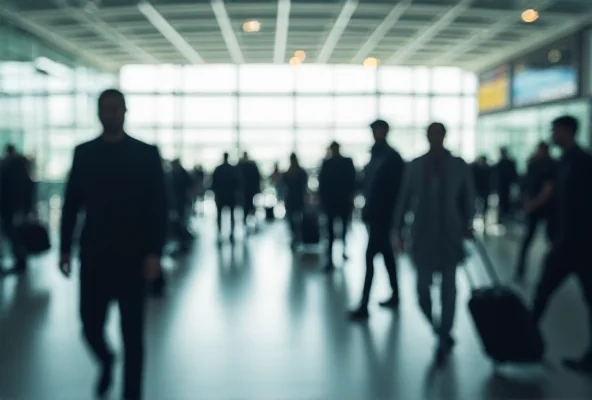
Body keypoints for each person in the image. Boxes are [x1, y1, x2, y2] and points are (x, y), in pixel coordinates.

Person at [59, 89, 167, 400]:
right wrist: (65, 248)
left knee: (133, 334)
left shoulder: (146, 154)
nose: (109, 114)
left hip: (134, 257)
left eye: (114, 109)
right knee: (90, 326)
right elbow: (71, 204)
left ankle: (132, 394)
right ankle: (106, 359)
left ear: (124, 112)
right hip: (94, 255)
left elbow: (158, 207)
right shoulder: (84, 153)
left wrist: (155, 254)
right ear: (98, 113)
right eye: (104, 109)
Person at [393, 122, 475, 366]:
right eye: (431, 135)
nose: (435, 139)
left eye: (438, 135)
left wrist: (467, 223)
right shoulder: (416, 166)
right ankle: (438, 327)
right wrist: (398, 229)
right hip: (423, 235)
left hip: (449, 235)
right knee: (422, 290)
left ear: (444, 137)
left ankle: (444, 334)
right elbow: (404, 198)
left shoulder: (458, 165)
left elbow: (468, 196)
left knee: (449, 290)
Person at [531, 115, 592, 373]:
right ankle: (525, 342)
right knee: (542, 291)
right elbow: (553, 194)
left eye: (555, 130)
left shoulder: (583, 162)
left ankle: (524, 342)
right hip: (566, 243)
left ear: (567, 131)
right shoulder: (564, 163)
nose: (552, 135)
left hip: (583, 245)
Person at [348, 119, 404, 321]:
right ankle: (395, 295)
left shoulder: (390, 157)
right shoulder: (377, 156)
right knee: (387, 257)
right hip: (376, 216)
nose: (375, 134)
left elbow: (396, 191)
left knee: (370, 258)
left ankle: (364, 304)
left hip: (384, 217)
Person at [515, 142, 557, 281]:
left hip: (545, 208)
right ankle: (520, 271)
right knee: (530, 240)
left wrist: (533, 203)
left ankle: (551, 272)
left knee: (551, 241)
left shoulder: (549, 165)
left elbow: (548, 189)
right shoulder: (534, 164)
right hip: (538, 207)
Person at [318, 141, 356, 272]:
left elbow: (322, 184)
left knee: (334, 230)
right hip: (339, 202)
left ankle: (333, 257)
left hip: (335, 202)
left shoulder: (328, 163)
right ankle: (337, 254)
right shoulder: (345, 162)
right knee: (338, 229)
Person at [0, 144, 34, 273]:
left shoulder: (10, 167)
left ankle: (19, 260)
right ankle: (20, 260)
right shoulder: (18, 166)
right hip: (14, 208)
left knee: (13, 235)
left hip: (9, 207)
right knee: (13, 235)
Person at [211, 152, 240, 242]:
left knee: (219, 215)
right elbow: (237, 183)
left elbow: (213, 183)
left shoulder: (218, 169)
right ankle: (231, 233)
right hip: (231, 195)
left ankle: (220, 232)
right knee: (231, 215)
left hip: (220, 195)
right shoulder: (233, 169)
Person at [282, 153, 308, 248]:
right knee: (295, 219)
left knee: (293, 219)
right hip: (296, 199)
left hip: (292, 199)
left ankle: (296, 236)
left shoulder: (288, 173)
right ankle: (296, 236)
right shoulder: (300, 172)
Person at [237, 152, 261, 233]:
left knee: (246, 206)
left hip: (245, 191)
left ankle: (246, 221)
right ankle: (252, 222)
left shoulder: (240, 166)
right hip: (251, 191)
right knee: (250, 206)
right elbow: (257, 178)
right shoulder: (252, 166)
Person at [495, 147, 518, 224]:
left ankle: (505, 216)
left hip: (505, 185)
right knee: (504, 201)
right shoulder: (504, 163)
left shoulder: (502, 163)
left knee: (505, 201)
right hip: (504, 185)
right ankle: (505, 215)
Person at [472, 155, 491, 221]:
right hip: (480, 189)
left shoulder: (485, 169)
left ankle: (483, 216)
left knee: (483, 204)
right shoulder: (486, 169)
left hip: (483, 189)